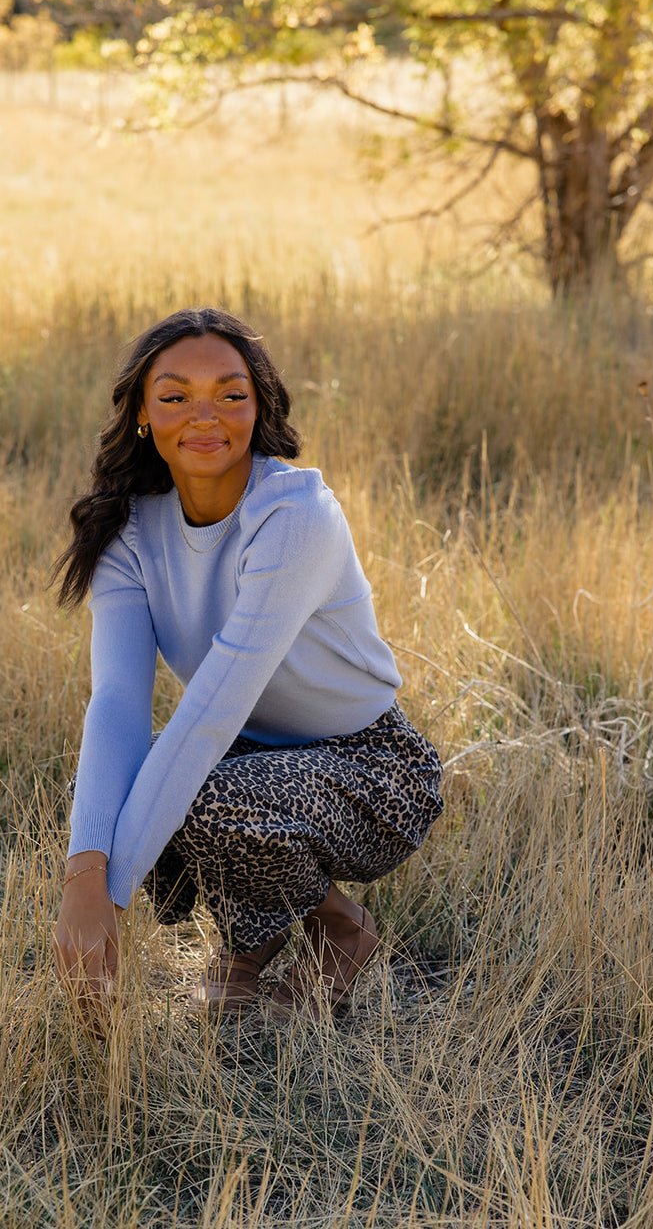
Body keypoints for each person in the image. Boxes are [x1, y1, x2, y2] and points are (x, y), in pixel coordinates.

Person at [51, 307, 443, 1022]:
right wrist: (84, 874)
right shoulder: (126, 532)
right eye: (174, 397)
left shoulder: (296, 518)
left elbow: (208, 715)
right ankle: (250, 943)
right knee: (97, 793)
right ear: (142, 413)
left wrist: (108, 902)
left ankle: (340, 931)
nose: (205, 417)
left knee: (201, 793)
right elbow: (115, 702)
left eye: (230, 395)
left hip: (374, 768)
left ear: (259, 407)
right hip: (243, 752)